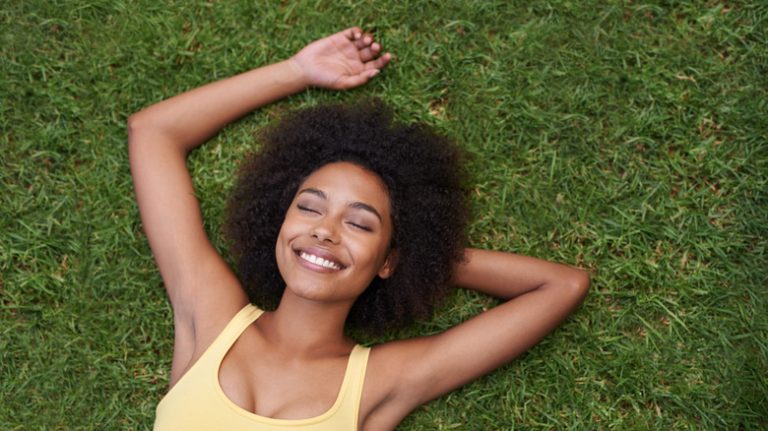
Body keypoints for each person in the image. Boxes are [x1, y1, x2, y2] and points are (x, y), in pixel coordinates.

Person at [128, 27, 590, 431]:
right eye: (309, 208)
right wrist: (296, 70)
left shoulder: (378, 383)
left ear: (388, 259)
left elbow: (561, 285)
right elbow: (153, 131)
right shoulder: (211, 319)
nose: (325, 231)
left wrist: (421, 257)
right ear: (279, 221)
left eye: (359, 224)